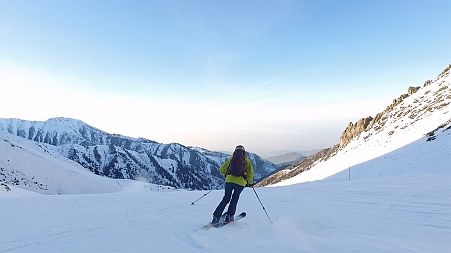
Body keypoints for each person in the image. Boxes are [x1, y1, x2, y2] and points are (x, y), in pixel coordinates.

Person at [212, 145, 254, 224]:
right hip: (241, 183)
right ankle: (230, 216)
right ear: (244, 152)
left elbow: (221, 169)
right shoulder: (247, 161)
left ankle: (216, 217)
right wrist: (250, 183)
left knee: (226, 198)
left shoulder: (231, 159)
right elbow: (250, 175)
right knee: (235, 198)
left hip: (229, 181)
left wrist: (228, 174)